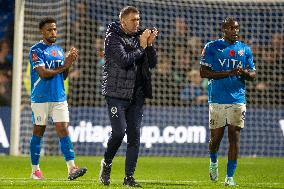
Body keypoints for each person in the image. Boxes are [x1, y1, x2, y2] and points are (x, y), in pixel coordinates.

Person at [99, 6, 158, 187]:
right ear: (123, 21)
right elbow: (124, 60)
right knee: (118, 132)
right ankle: (106, 163)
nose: (137, 23)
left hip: (137, 94)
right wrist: (141, 45)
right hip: (116, 93)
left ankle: (128, 177)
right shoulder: (112, 37)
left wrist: (149, 45)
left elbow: (153, 63)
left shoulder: (140, 36)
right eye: (133, 20)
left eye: (138, 19)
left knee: (134, 136)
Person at [28, 17, 87, 180]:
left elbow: (64, 76)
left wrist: (70, 63)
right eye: (49, 29)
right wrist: (65, 65)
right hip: (40, 97)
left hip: (59, 97)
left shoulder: (59, 50)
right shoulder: (36, 50)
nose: (53, 32)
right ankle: (35, 170)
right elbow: (43, 74)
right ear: (42, 31)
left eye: (54, 29)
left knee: (63, 130)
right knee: (39, 131)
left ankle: (72, 168)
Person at [200, 17, 256, 186]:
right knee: (215, 140)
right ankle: (213, 161)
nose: (235, 31)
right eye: (231, 28)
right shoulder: (212, 47)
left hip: (238, 99)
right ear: (224, 30)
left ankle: (230, 177)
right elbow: (204, 72)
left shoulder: (244, 49)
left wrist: (244, 73)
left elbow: (253, 74)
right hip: (217, 99)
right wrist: (230, 73)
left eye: (237, 28)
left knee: (234, 137)